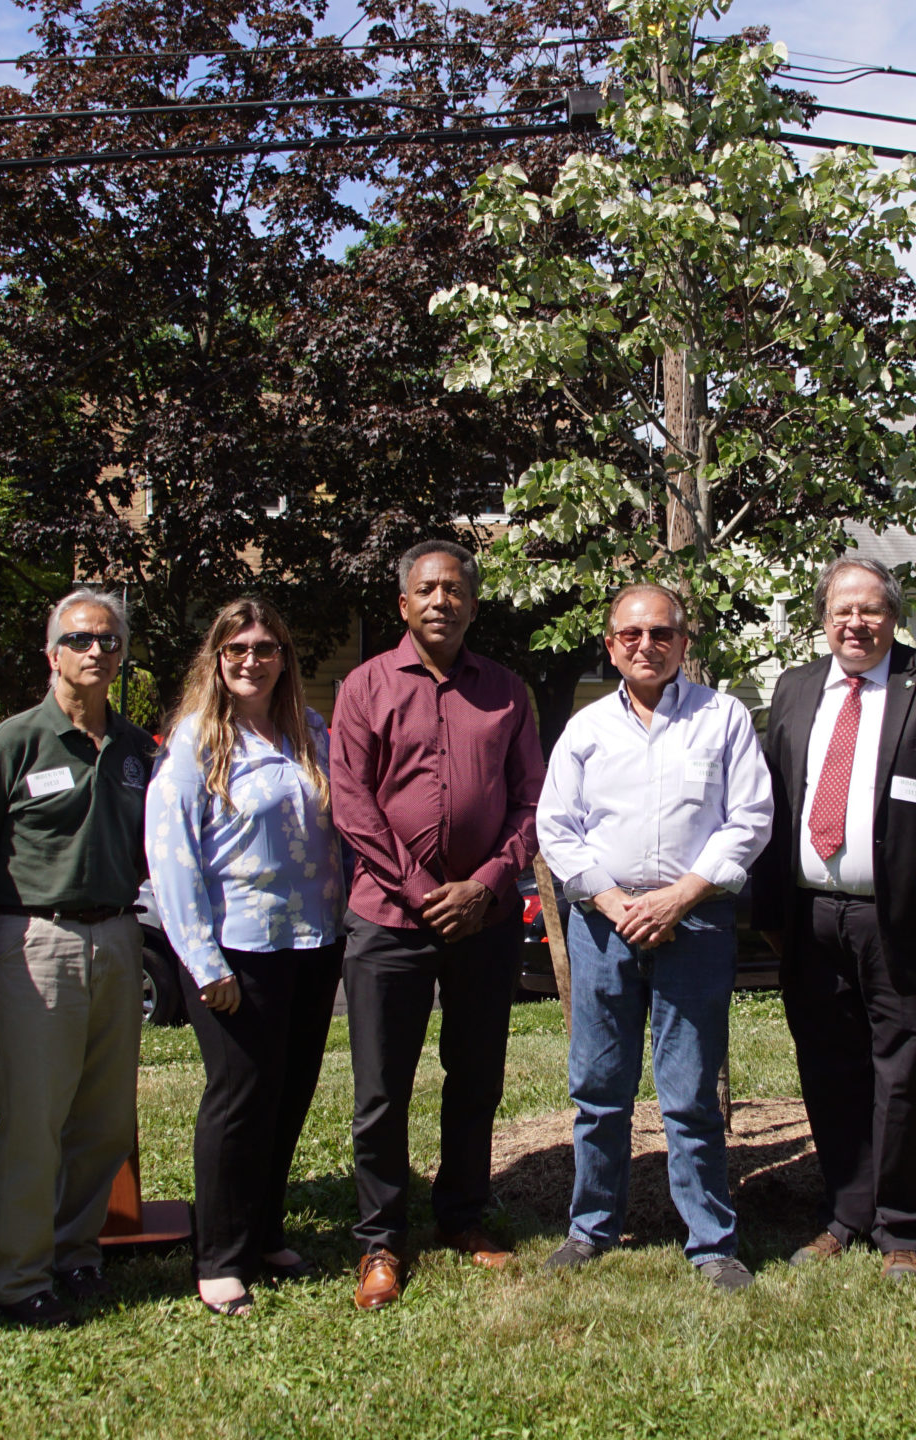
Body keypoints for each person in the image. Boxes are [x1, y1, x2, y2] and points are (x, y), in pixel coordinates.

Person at [751, 557, 916, 1281]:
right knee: (828, 1068)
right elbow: (772, 803)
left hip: (904, 923)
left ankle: (903, 1224)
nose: (855, 623)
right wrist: (770, 909)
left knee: (906, 1074)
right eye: (842, 610)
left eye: (871, 610)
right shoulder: (796, 689)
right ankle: (846, 1212)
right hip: (811, 918)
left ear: (895, 616)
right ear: (823, 619)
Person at [534, 584, 774, 1292]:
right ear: (611, 646)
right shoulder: (585, 730)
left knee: (691, 1093)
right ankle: (590, 1227)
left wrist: (679, 896)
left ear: (683, 643)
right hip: (601, 926)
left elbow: (749, 818)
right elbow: (556, 828)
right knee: (598, 1089)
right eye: (631, 635)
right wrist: (612, 901)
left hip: (694, 922)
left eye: (662, 633)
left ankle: (711, 1242)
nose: (647, 645)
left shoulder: (723, 719)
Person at [331, 540, 545, 1310]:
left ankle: (461, 1214)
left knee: (476, 1075)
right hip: (389, 918)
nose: (440, 601)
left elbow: (533, 803)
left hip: (485, 920)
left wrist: (485, 885)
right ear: (403, 603)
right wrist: (426, 891)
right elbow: (353, 805)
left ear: (473, 606)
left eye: (454, 590)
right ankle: (380, 1241)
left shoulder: (507, 692)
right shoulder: (364, 687)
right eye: (426, 589)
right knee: (382, 1087)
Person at [0, 587, 159, 1328]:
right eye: (80, 639)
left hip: (120, 936)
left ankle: (77, 1253)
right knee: (33, 1119)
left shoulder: (138, 750)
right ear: (52, 654)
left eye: (109, 640)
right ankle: (20, 1275)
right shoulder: (13, 742)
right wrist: (6, 933)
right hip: (35, 941)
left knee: (105, 1120)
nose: (96, 650)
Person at [145, 597, 348, 1317]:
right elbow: (171, 855)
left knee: (287, 1094)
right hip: (238, 948)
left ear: (284, 658)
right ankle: (220, 1258)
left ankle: (264, 1233)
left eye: (265, 648)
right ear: (217, 659)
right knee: (239, 1099)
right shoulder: (196, 741)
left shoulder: (310, 732)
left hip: (313, 942)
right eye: (237, 649)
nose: (252, 661)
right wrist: (204, 962)